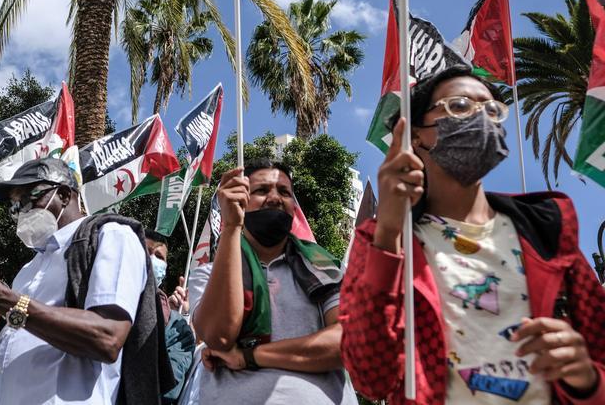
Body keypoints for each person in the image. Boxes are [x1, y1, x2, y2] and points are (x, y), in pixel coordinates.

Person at [340, 67, 605, 404]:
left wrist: (586, 379)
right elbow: (371, 376)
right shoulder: (383, 240)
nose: (481, 116)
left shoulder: (547, 229)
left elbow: (598, 352)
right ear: (415, 135)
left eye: (492, 109)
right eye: (460, 106)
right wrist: (390, 232)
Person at [0, 157, 174, 405]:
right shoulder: (29, 268)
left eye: (27, 199)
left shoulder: (110, 236)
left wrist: (3, 299)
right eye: (14, 207)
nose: (21, 213)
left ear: (65, 195)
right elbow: (28, 324)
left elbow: (106, 336)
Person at [189, 159, 356, 404]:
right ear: (241, 200)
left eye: (284, 192)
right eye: (262, 191)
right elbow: (219, 336)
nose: (275, 198)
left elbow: (347, 341)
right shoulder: (208, 274)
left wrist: (249, 356)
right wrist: (233, 227)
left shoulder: (325, 269)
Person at [145, 230, 196, 404]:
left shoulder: (177, 328)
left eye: (158, 256)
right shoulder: (103, 303)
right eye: (145, 251)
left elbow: (169, 387)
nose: (151, 259)